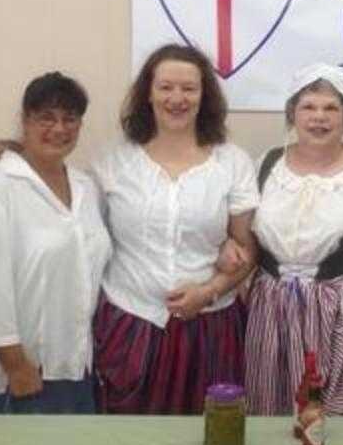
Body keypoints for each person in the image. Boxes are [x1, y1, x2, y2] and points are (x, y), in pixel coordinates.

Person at [91, 44, 258, 414]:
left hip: (210, 327)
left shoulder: (231, 162)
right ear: (147, 93)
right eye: (165, 87)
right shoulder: (113, 160)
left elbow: (247, 253)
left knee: (207, 439)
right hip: (130, 322)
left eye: (189, 89)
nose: (177, 98)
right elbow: (83, 229)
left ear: (205, 96)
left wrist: (209, 291)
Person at [244, 64, 343, 416]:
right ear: (292, 113)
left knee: (331, 423)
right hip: (272, 313)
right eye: (309, 107)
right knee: (270, 417)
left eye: (331, 108)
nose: (319, 117)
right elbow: (246, 239)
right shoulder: (266, 166)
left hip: (340, 319)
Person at [0, 72, 111, 414]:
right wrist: (15, 365)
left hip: (74, 366)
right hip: (16, 377)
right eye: (46, 118)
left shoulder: (86, 188)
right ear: (25, 121)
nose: (59, 129)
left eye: (70, 119)